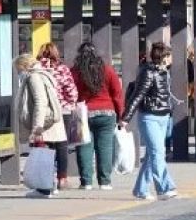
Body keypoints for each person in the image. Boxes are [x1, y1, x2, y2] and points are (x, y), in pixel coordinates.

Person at [120, 42, 178, 201]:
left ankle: (141, 189)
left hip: (163, 116)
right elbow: (137, 95)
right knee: (158, 152)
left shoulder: (165, 72)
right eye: (169, 55)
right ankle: (164, 188)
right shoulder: (148, 72)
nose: (172, 58)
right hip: (149, 117)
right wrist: (125, 118)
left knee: (153, 155)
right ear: (164, 56)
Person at [71, 42, 124, 190]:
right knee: (105, 148)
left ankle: (86, 182)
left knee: (84, 147)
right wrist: (121, 115)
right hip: (107, 113)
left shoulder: (75, 72)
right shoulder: (107, 70)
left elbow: (71, 92)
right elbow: (117, 94)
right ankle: (105, 182)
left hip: (84, 112)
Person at [14, 54, 66, 198]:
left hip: (44, 124)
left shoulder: (33, 77)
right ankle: (49, 186)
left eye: (18, 69)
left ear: (24, 66)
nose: (18, 73)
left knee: (43, 155)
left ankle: (43, 189)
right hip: (51, 123)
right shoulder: (45, 74)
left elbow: (40, 101)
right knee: (49, 156)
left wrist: (37, 127)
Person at [37, 42, 78, 190]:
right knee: (61, 144)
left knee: (44, 144)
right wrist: (70, 103)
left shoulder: (37, 69)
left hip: (43, 111)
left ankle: (46, 177)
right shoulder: (62, 69)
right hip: (62, 110)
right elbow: (71, 90)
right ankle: (62, 178)